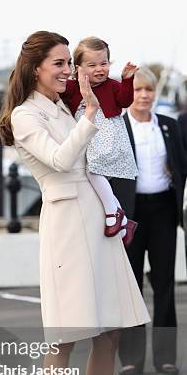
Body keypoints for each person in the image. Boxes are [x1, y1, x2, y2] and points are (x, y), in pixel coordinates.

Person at [0, 31, 150, 375]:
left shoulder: (67, 105)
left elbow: (95, 154)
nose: (69, 71)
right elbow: (62, 161)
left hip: (97, 219)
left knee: (110, 330)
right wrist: (91, 112)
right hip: (65, 225)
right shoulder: (26, 115)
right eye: (60, 64)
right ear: (36, 68)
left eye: (70, 63)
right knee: (63, 336)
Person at [109, 68, 187, 375]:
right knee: (131, 284)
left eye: (149, 90)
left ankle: (165, 357)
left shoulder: (168, 125)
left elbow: (182, 164)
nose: (144, 95)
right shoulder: (118, 127)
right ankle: (131, 358)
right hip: (131, 214)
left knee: (165, 282)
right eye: (138, 90)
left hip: (164, 210)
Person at [61, 36, 138, 244]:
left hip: (107, 134)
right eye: (92, 64)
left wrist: (127, 80)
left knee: (93, 171)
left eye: (103, 63)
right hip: (87, 137)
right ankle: (123, 220)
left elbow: (125, 100)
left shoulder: (112, 85)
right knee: (92, 174)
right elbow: (56, 92)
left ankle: (113, 214)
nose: (99, 69)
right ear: (78, 67)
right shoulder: (72, 86)